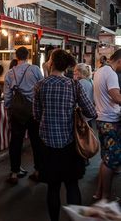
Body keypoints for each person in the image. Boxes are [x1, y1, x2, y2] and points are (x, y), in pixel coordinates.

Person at [33, 49, 97, 221]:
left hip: (47, 144)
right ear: (66, 66)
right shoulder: (74, 85)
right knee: (72, 185)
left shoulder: (41, 85)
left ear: (51, 63)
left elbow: (37, 115)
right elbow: (91, 111)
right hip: (70, 144)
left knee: (53, 187)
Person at [4, 46, 43, 185]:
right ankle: (38, 171)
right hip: (33, 111)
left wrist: (8, 107)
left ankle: (14, 173)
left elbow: (8, 96)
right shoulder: (35, 69)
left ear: (16, 56)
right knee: (36, 142)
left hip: (17, 112)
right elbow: (42, 88)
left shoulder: (10, 73)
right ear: (28, 56)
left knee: (15, 142)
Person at [93, 49, 121, 200]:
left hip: (102, 119)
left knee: (106, 159)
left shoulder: (100, 71)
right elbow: (116, 97)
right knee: (111, 161)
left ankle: (99, 193)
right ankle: (105, 197)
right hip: (110, 121)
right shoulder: (111, 73)